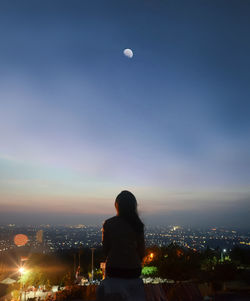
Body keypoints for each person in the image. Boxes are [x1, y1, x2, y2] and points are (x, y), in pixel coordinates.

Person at [102, 190, 145, 279]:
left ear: (117, 205)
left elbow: (105, 249)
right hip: (134, 269)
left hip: (113, 268)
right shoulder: (138, 224)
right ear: (133, 206)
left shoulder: (109, 224)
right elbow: (141, 251)